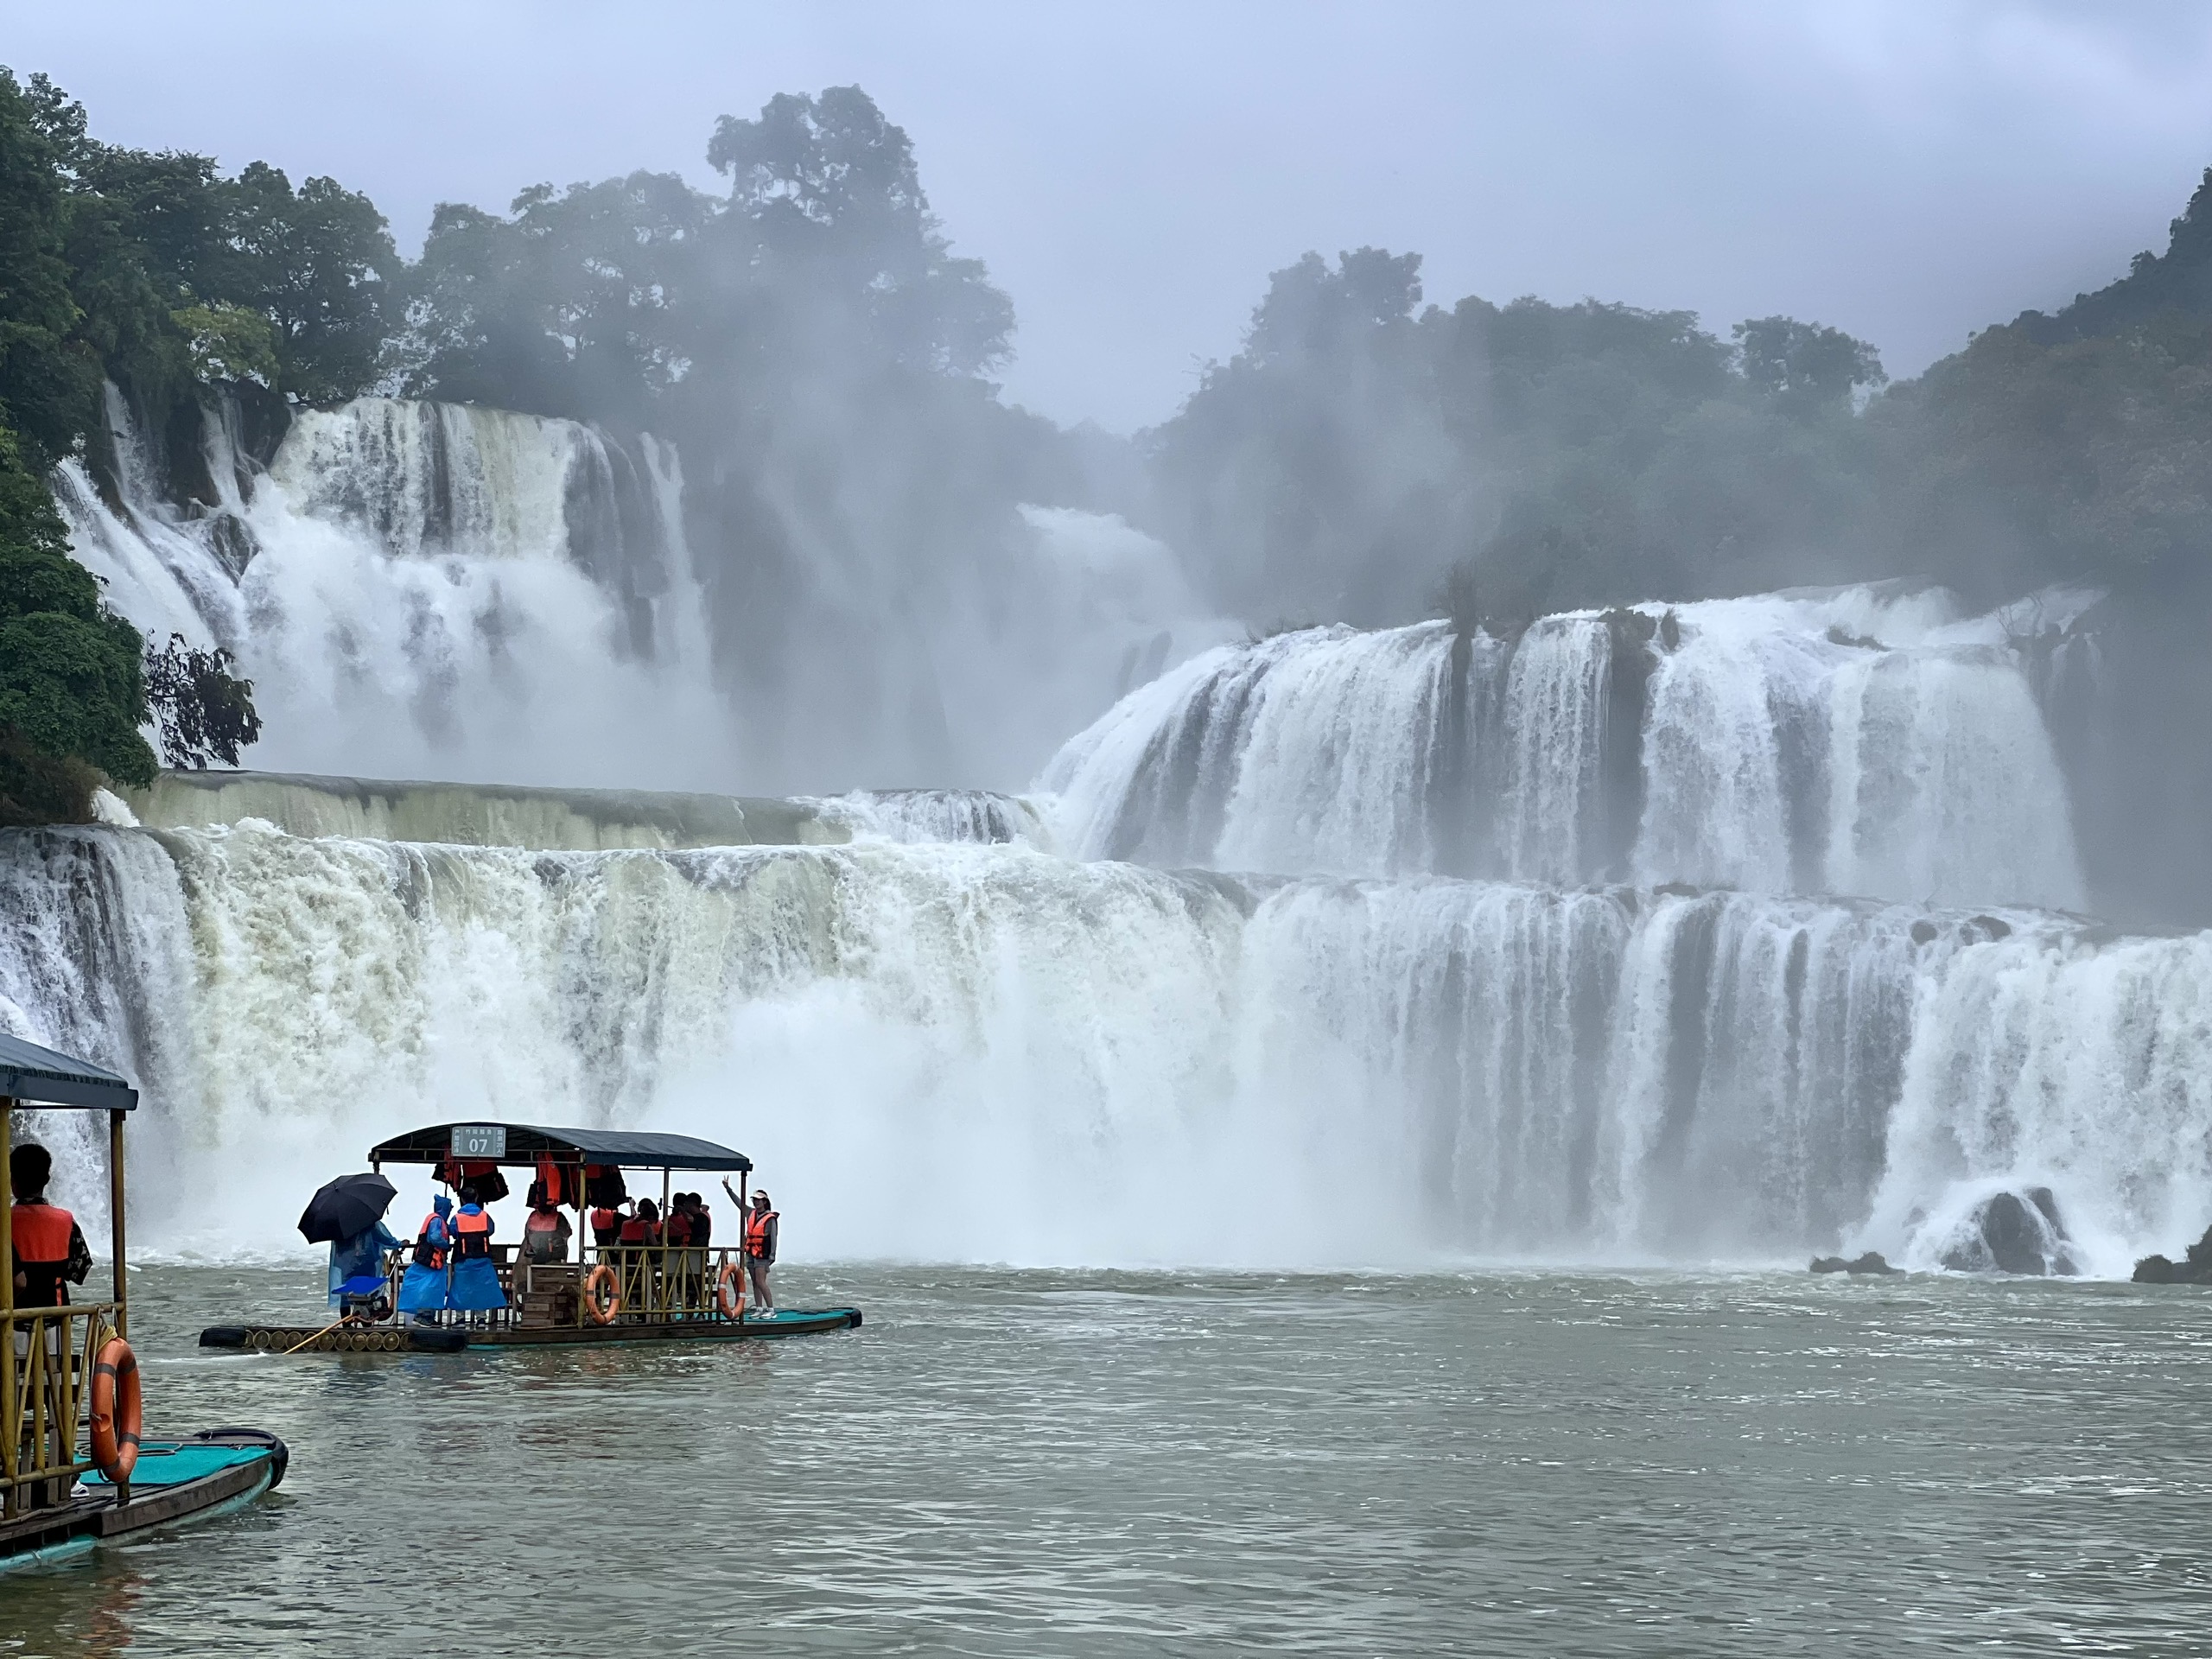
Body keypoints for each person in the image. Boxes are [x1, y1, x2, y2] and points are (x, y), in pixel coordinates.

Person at [9, 1145, 89, 1308]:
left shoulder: (4, 1220)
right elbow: (80, 1270)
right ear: (46, 1180)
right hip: (56, 1318)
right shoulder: (66, 1220)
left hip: (12, 1319)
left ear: (13, 1182)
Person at [447, 1185, 507, 1320]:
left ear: (461, 1199)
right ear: (477, 1197)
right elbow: (490, 1230)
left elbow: (453, 1232)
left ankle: (460, 1318)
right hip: (482, 1257)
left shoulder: (457, 1218)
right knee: (482, 1288)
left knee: (461, 1288)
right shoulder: (485, 1216)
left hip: (463, 1258)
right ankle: (481, 1318)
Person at [720, 1180, 778, 1314]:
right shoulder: (750, 1213)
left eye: (759, 1200)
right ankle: (759, 1308)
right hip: (751, 1252)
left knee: (761, 1281)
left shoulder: (770, 1218)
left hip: (763, 1254)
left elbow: (774, 1237)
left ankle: (771, 1309)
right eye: (755, 1200)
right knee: (754, 1282)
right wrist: (728, 1189)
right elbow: (738, 1203)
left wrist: (772, 1255)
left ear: (765, 1202)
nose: (756, 1202)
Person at [397, 1193, 455, 1323]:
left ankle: (426, 1315)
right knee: (429, 1288)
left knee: (428, 1288)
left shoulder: (437, 1220)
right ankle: (423, 1316)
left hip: (429, 1260)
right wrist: (446, 1245)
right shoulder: (437, 1221)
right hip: (430, 1261)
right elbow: (435, 1238)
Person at [327, 1211, 402, 1310]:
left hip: (346, 1266)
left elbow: (339, 1250)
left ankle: (346, 1323)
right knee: (368, 1292)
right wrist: (399, 1244)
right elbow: (384, 1239)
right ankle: (366, 1321)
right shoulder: (369, 1223)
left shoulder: (340, 1226)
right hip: (366, 1263)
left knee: (346, 1294)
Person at [520, 1189, 572, 1265]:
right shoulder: (559, 1217)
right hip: (555, 1258)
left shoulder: (532, 1216)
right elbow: (568, 1233)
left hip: (534, 1258)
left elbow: (527, 1233)